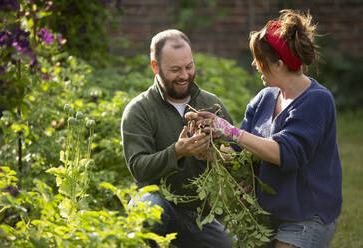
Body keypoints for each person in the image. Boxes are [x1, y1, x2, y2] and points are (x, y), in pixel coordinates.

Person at [186, 9, 342, 248]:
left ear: (278, 64)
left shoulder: (317, 101)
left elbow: (286, 154)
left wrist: (231, 131)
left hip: (306, 214)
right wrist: (207, 149)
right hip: (267, 214)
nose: (253, 65)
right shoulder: (264, 98)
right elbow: (242, 155)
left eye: (257, 59)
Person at [121, 29, 233, 247]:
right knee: (152, 211)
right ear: (155, 67)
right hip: (155, 201)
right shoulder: (139, 109)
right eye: (175, 70)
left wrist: (216, 155)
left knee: (231, 244)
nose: (184, 75)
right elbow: (139, 168)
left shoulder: (212, 104)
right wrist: (178, 151)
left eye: (189, 66)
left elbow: (238, 153)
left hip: (198, 214)